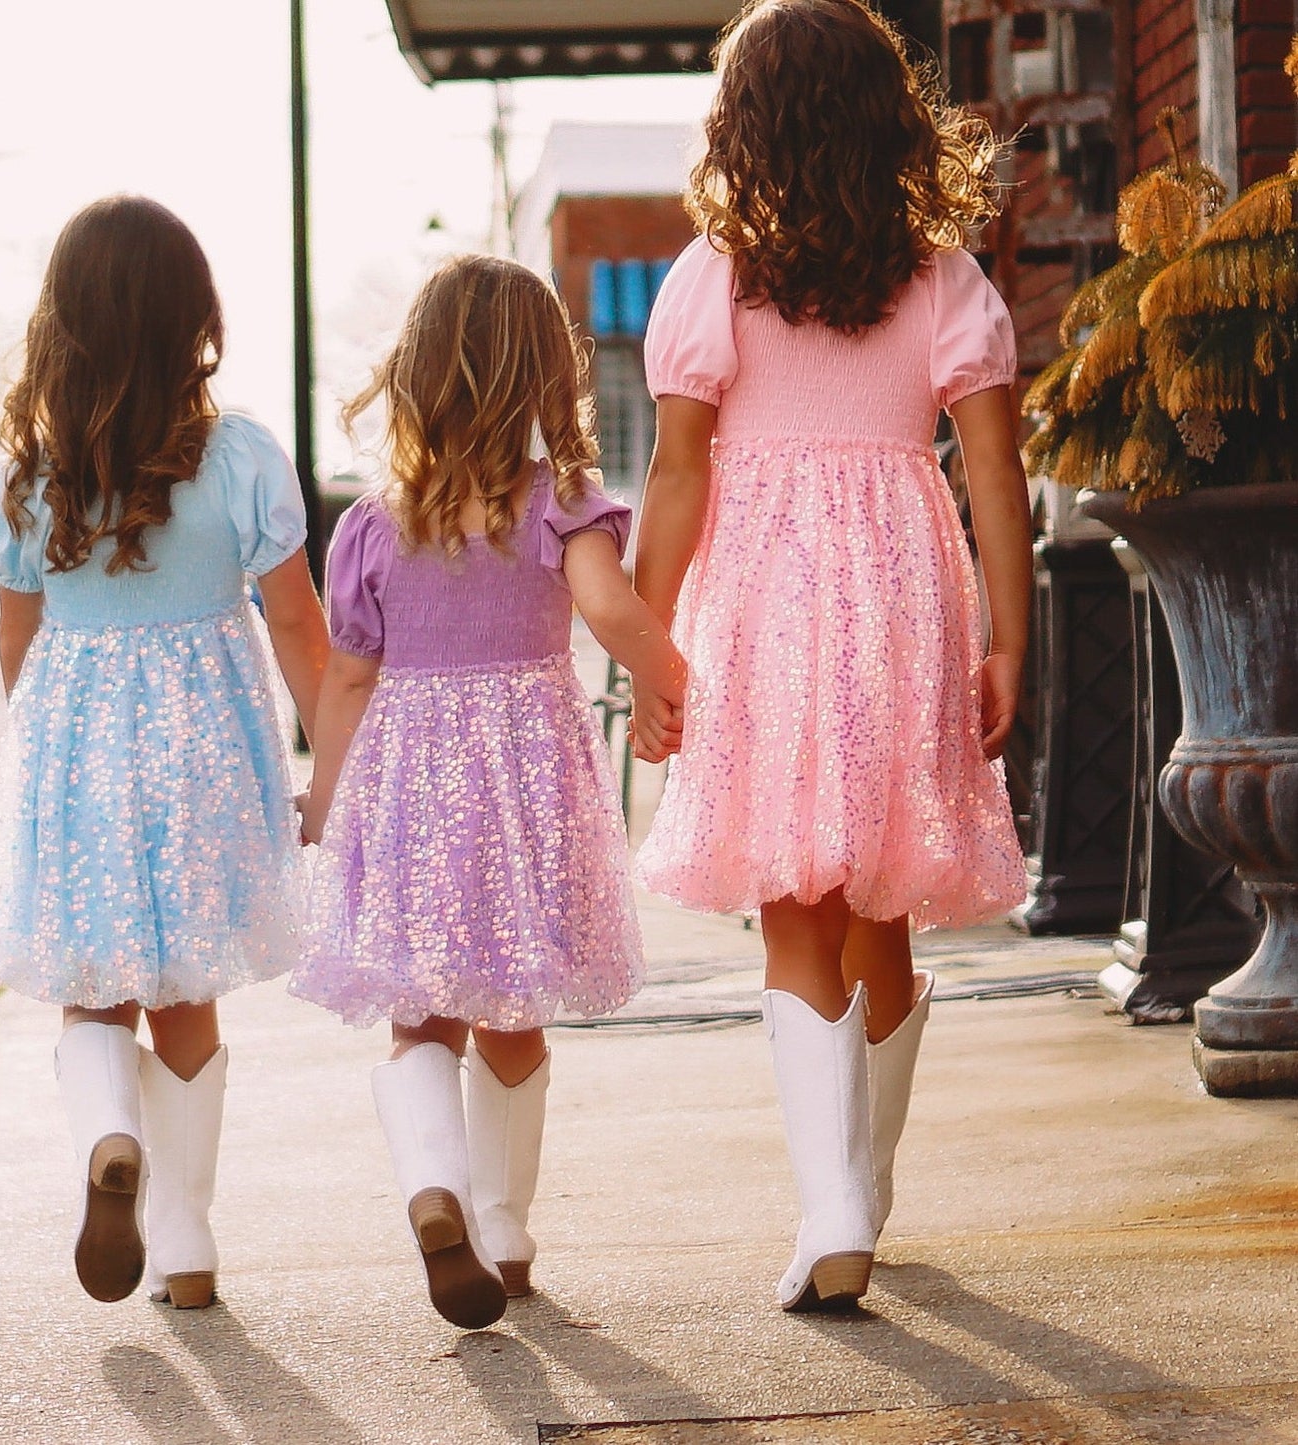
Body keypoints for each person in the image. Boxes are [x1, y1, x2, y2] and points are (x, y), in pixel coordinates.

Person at [632, 0, 1032, 1313]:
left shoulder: (715, 277)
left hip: (763, 606)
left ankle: (833, 1206)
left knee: (795, 902)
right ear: (889, 119)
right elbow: (992, 477)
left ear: (743, 125)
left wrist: (647, 640)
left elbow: (677, 475)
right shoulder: (943, 278)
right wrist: (1007, 640)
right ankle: (865, 1184)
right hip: (905, 602)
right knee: (880, 902)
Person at [291, 254, 685, 1330]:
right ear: (550, 380)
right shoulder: (564, 506)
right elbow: (610, 610)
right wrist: (675, 684)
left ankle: (433, 1188)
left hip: (408, 787)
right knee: (512, 1015)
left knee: (420, 1019)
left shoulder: (373, 524)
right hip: (521, 791)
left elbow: (347, 675)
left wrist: (328, 803)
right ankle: (501, 1234)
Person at [0, 196, 329, 1309]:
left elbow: (17, 631)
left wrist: (39, 759)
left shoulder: (28, 472)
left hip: (77, 749)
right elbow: (299, 626)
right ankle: (184, 1243)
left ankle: (109, 1134)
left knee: (92, 988)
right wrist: (334, 766)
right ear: (193, 317)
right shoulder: (241, 456)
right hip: (207, 749)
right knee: (187, 992)